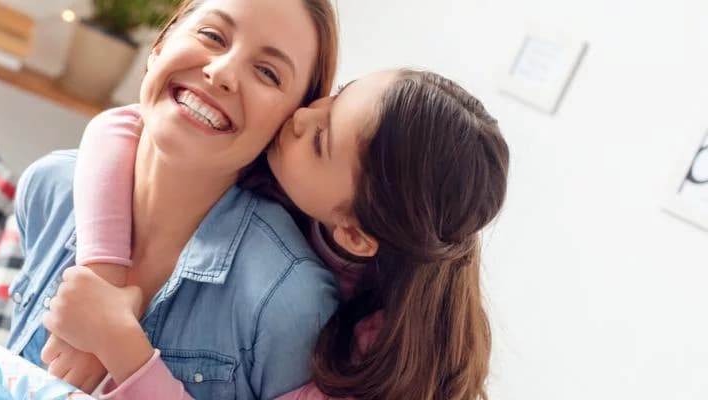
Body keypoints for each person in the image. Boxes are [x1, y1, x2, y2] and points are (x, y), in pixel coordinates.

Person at [45, 68, 510, 400]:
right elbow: (124, 123)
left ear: (354, 235)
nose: (303, 117)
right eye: (336, 97)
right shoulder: (293, 171)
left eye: (321, 140)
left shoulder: (376, 360)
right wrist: (104, 276)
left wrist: (119, 344)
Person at [7, 0, 342, 398]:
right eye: (212, 35)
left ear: (288, 125)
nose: (221, 72)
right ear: (160, 44)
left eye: (268, 73)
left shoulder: (290, 301)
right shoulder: (50, 187)